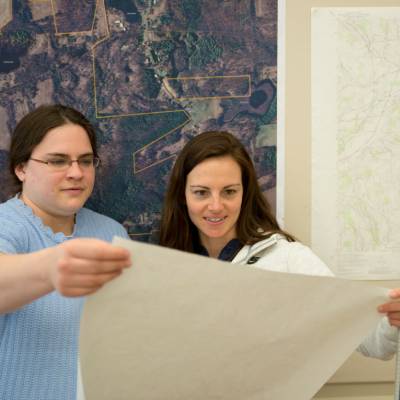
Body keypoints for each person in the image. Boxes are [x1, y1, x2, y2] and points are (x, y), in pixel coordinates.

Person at [159, 130, 400, 360]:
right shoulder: (160, 267)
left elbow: (370, 341)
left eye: (229, 192)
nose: (215, 206)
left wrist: (392, 320)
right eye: (201, 193)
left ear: (245, 193)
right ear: (183, 195)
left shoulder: (288, 259)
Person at [0, 105, 131, 400]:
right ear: (21, 168)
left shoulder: (112, 232)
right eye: (58, 161)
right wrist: (52, 267)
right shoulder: (6, 225)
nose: (76, 173)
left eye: (85, 161)